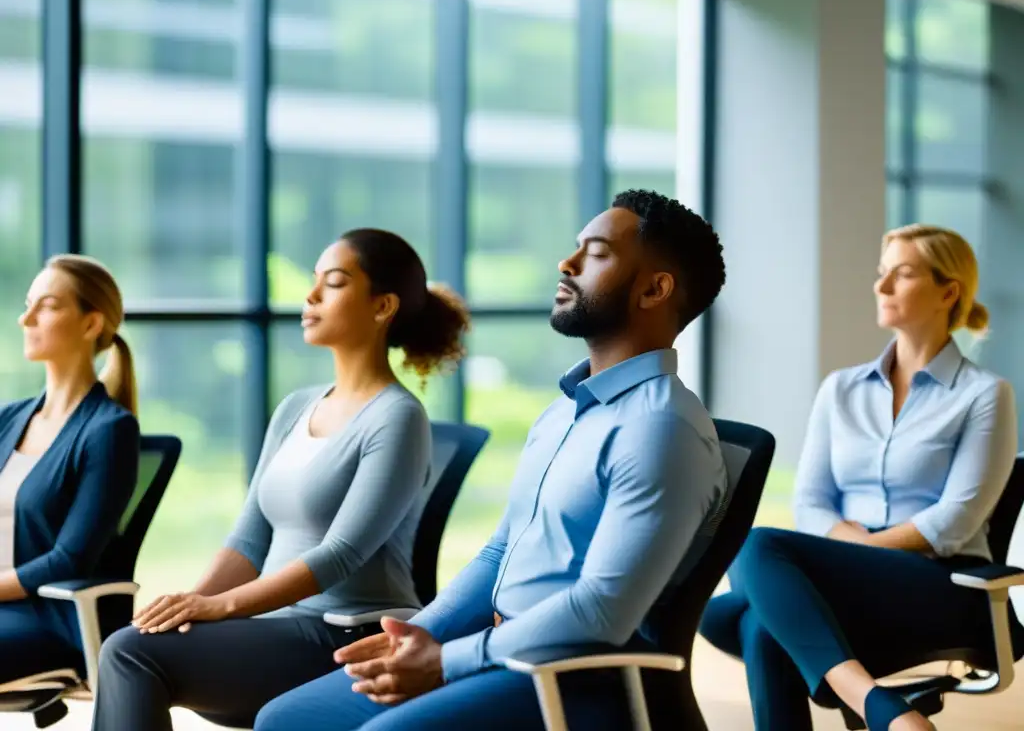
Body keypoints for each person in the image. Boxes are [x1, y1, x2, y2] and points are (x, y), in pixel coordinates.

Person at [252, 188, 729, 731]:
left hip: (569, 676)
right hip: (496, 651)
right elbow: (502, 549)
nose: (566, 264)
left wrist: (445, 661)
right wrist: (420, 635)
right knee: (285, 719)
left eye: (595, 253)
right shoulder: (564, 412)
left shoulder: (662, 429)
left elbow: (602, 609)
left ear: (654, 289)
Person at [91, 229, 470, 731]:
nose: (310, 297)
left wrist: (220, 606)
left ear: (382, 307)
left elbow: (339, 556)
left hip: (343, 636)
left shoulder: (398, 417)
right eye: (313, 282)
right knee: (139, 642)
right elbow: (249, 538)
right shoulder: (296, 406)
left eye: (333, 283)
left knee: (129, 654)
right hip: (276, 628)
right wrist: (190, 607)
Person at [697, 224, 1022, 731]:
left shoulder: (984, 394)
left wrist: (850, 554)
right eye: (880, 273)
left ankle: (874, 707)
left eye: (903, 273)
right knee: (763, 624)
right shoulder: (841, 389)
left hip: (943, 584)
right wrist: (845, 557)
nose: (882, 285)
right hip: (852, 586)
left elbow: (954, 523)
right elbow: (812, 503)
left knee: (752, 560)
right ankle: (881, 707)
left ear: (948, 290)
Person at [0, 255, 140, 686]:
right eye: (28, 304)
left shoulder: (108, 430)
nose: (26, 318)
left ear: (90, 324)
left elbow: (69, 558)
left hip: (48, 617)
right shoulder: (8, 418)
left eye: (47, 306)